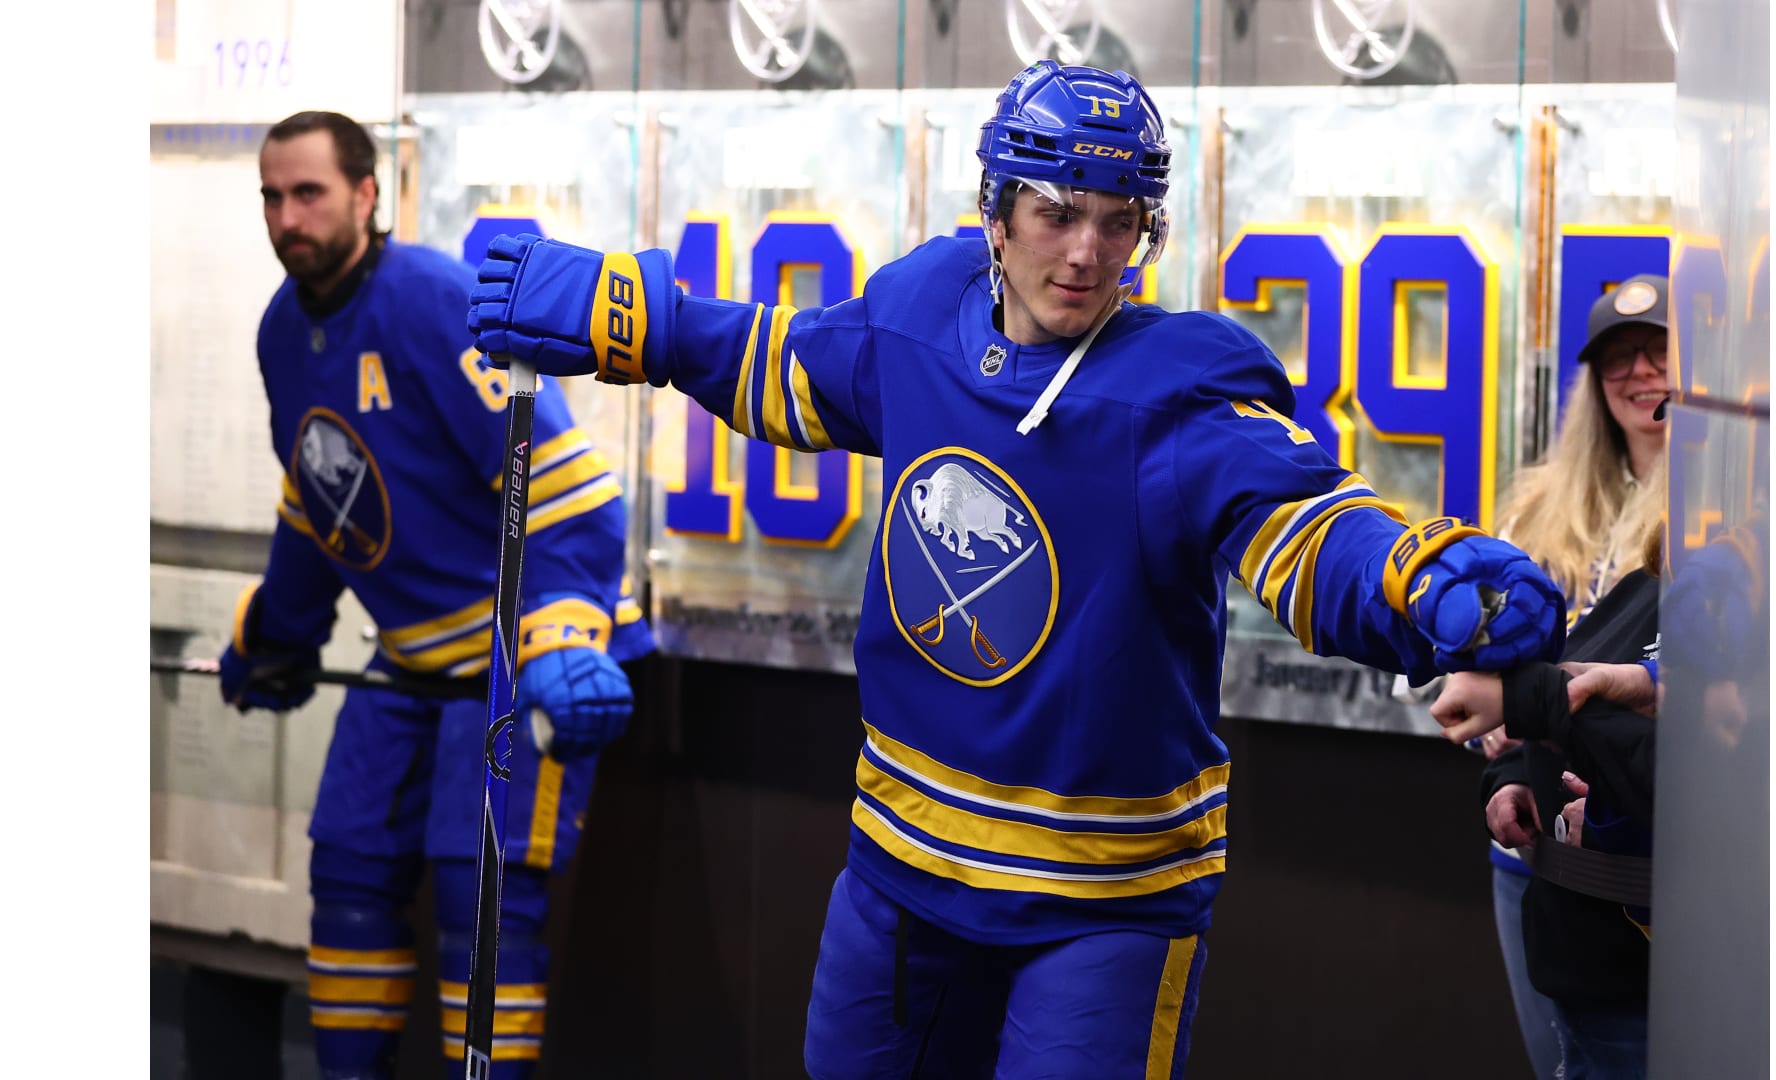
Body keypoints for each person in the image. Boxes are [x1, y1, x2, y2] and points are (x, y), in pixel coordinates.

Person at [466, 62, 1566, 1078]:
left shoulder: (1180, 391)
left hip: (1103, 901)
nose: (1086, 252)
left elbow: (1301, 524)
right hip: (902, 865)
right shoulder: (922, 311)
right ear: (994, 212)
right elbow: (786, 370)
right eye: (1057, 212)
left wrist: (1413, 580)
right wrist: (640, 319)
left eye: (1119, 220)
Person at [218, 110, 652, 1080]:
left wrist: (565, 639)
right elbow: (319, 502)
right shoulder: (282, 334)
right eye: (272, 197)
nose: (288, 217)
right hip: (409, 658)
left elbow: (569, 492)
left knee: (479, 898)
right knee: (348, 870)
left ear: (368, 195)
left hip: (518, 656)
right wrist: (275, 633)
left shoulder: (433, 303)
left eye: (309, 193)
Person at [1432, 273, 1673, 1079]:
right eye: (1619, 357)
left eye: (1659, 351)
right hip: (1535, 848)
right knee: (1564, 1060)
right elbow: (1476, 660)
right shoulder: (1538, 506)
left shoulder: (1722, 511)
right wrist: (1497, 737)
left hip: (1649, 864)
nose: (1641, 373)